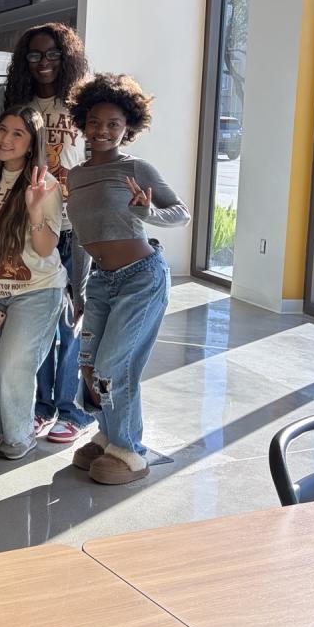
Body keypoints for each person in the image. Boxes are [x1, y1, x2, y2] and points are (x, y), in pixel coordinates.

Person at [65, 73, 189, 485]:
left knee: (113, 366)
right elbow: (81, 238)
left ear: (128, 127)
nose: (102, 131)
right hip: (101, 281)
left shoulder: (136, 168)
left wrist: (147, 213)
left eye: (113, 124)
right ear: (83, 123)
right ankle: (108, 437)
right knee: (89, 366)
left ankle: (130, 451)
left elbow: (181, 213)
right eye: (94, 122)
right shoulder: (75, 176)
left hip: (141, 278)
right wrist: (79, 291)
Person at [4, 23, 95, 446]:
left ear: (67, 57)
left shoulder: (82, 105)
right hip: (37, 223)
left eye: (53, 54)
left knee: (73, 320)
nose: (44, 62)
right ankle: (42, 406)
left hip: (75, 226)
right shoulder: (19, 105)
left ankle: (72, 410)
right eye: (35, 55)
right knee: (40, 320)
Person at [0, 106, 64, 461]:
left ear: (32, 142)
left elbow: (45, 248)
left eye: (17, 133)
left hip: (37, 292)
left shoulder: (46, 184)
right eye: (2, 130)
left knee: (11, 368)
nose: (6, 139)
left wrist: (35, 209)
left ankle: (19, 435)